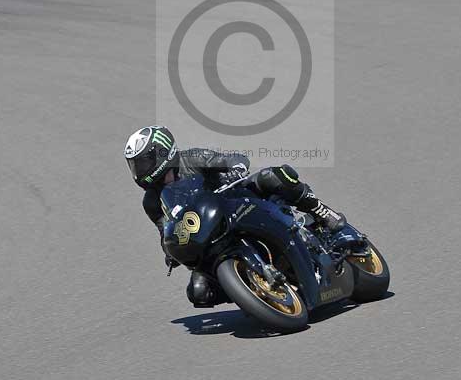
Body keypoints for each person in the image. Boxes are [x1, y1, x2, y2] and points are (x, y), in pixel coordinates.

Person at [124, 125, 345, 306]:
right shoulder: (151, 202)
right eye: (134, 165)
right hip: (208, 237)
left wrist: (236, 169)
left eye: (143, 162)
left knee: (273, 176)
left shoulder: (192, 159)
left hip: (238, 202)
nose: (139, 170)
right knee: (199, 293)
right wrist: (170, 249)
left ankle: (321, 211)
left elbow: (234, 159)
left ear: (162, 152)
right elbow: (165, 229)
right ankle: (252, 290)